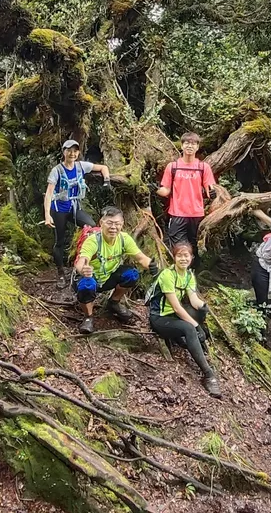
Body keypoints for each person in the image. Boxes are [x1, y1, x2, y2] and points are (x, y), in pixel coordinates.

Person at [147, 242, 221, 398]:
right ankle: (208, 374)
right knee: (189, 328)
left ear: (191, 257)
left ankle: (189, 341)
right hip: (160, 318)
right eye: (179, 255)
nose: (183, 258)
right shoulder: (167, 275)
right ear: (174, 258)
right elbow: (176, 308)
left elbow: (193, 299)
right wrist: (195, 326)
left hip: (173, 317)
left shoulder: (188, 275)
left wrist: (204, 307)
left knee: (199, 312)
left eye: (186, 255)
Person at [74, 206, 157, 334]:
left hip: (108, 277)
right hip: (91, 278)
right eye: (109, 223)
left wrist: (153, 266)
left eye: (117, 224)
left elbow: (141, 258)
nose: (113, 227)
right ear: (101, 223)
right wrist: (83, 269)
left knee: (132, 274)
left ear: (122, 224)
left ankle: (114, 303)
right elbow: (82, 261)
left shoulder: (124, 239)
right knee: (87, 284)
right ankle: (88, 317)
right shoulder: (93, 241)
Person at [44, 139, 112, 288]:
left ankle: (85, 262)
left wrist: (107, 180)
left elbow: (103, 167)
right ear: (64, 152)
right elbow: (49, 194)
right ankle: (61, 273)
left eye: (75, 151)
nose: (72, 153)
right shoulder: (57, 171)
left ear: (78, 152)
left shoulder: (82, 166)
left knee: (92, 227)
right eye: (69, 150)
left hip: (75, 207)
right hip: (59, 209)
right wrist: (47, 215)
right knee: (59, 241)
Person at [156, 132, 216, 267]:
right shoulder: (173, 166)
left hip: (197, 215)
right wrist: (153, 188)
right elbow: (165, 190)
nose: (190, 146)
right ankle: (179, 274)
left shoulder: (203, 167)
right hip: (177, 214)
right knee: (179, 247)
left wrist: (212, 193)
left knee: (193, 246)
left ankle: (192, 275)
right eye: (187, 143)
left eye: (193, 143)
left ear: (197, 147)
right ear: (182, 146)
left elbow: (209, 187)